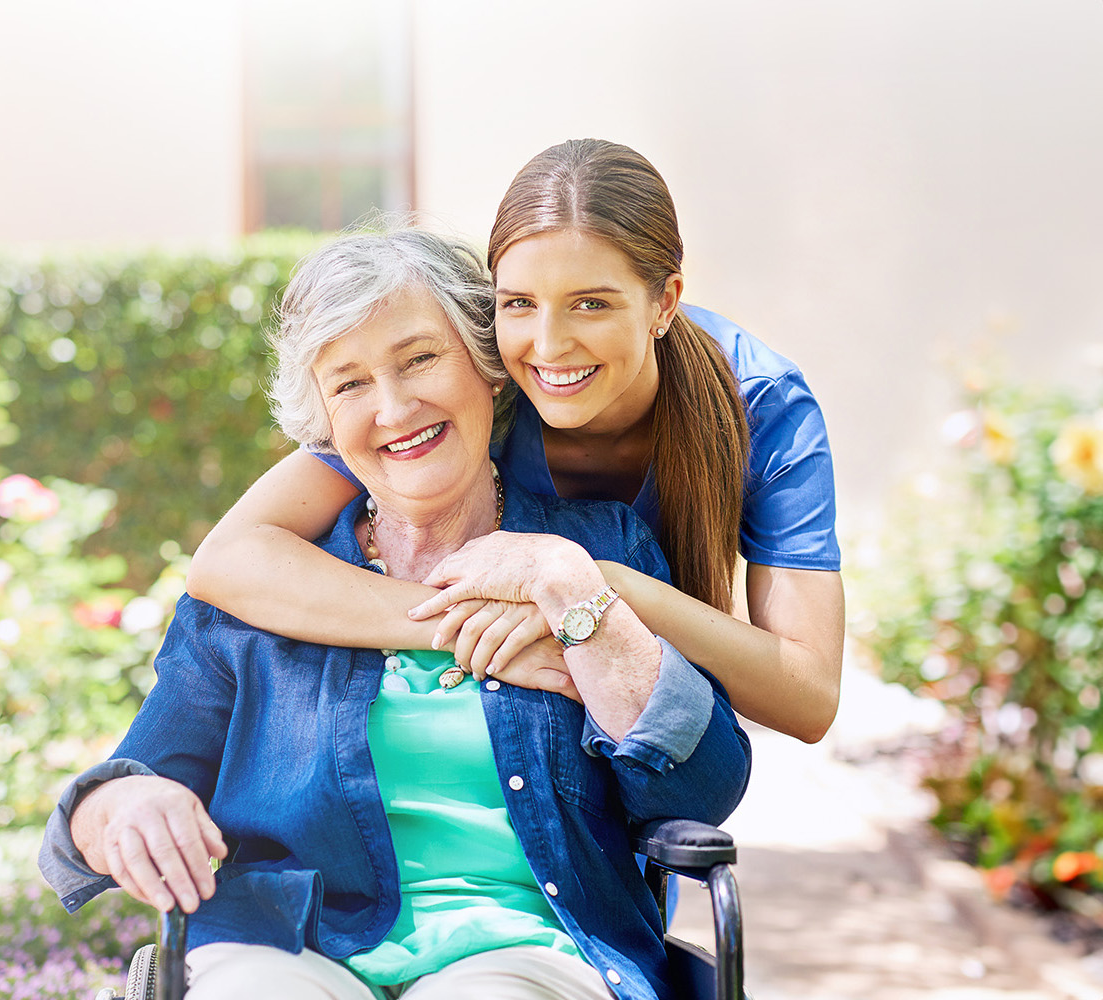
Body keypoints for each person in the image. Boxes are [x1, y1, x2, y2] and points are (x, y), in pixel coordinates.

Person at [39, 229, 750, 1000]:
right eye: (348, 384)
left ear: (487, 367)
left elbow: (699, 790)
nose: (393, 407)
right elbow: (124, 783)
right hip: (282, 945)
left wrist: (581, 604)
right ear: (324, 421)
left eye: (420, 359)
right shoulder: (263, 589)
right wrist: (123, 804)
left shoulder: (595, 548)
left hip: (530, 949)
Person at [185, 139, 844, 744]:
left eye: (592, 303)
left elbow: (809, 698)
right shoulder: (479, 377)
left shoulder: (761, 402)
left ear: (664, 302)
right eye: (520, 303)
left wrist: (592, 588)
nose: (549, 345)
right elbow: (228, 559)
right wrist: (453, 624)